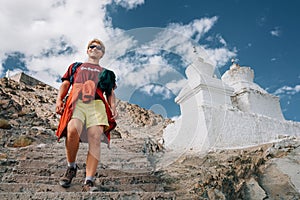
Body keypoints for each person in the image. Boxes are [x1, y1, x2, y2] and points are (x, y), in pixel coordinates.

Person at [55, 38, 118, 192]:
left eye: (99, 47)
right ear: (87, 50)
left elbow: (110, 92)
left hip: (97, 104)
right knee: (72, 130)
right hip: (77, 100)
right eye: (92, 46)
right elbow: (65, 84)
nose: (95, 48)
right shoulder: (76, 66)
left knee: (95, 137)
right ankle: (71, 167)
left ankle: (88, 180)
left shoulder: (107, 73)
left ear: (102, 53)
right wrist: (59, 100)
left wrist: (113, 106)